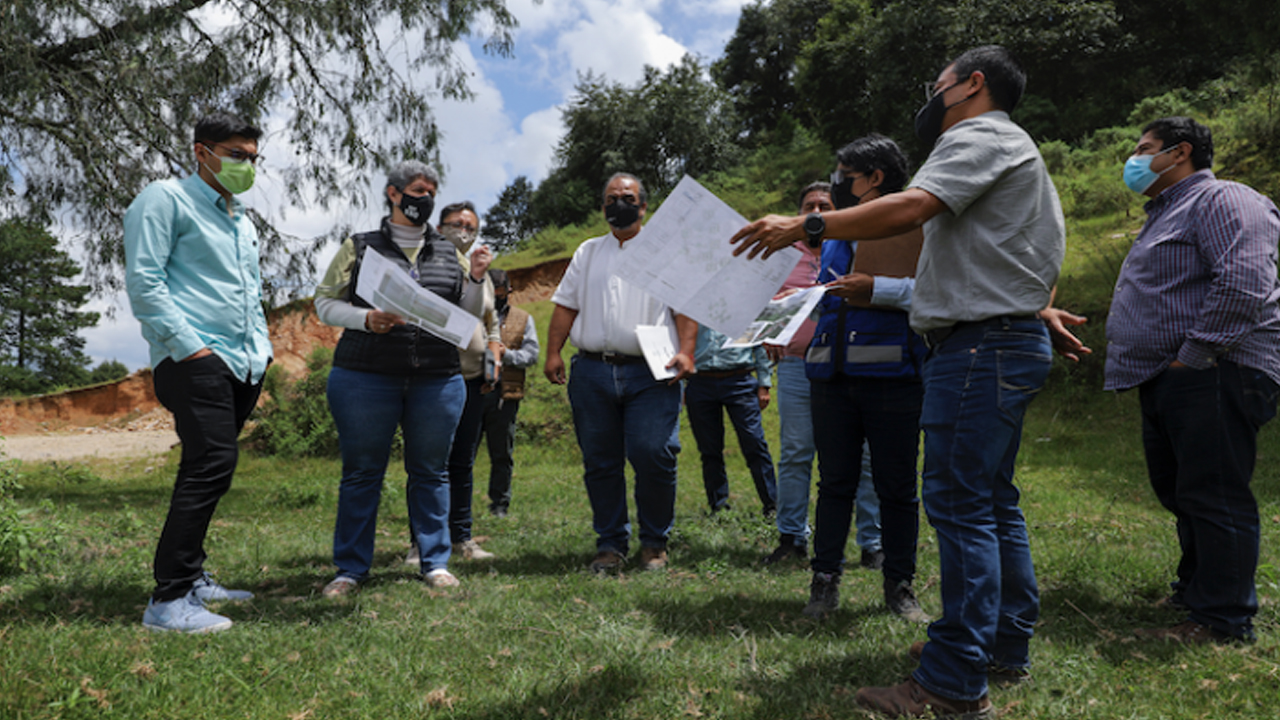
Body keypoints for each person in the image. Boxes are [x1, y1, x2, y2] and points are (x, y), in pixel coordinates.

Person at [734, 45, 1064, 718]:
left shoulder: (977, 134)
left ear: (972, 85)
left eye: (935, 85)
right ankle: (998, 644)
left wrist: (806, 221)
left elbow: (911, 208)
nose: (930, 98)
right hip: (998, 339)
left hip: (976, 347)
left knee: (961, 507)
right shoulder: (1015, 150)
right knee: (993, 502)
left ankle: (950, 684)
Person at [1102, 117, 1279, 643]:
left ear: (1179, 153)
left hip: (1216, 368)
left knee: (1214, 492)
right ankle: (1197, 589)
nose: (1133, 161)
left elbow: (1246, 281)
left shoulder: (1223, 199)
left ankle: (1222, 621)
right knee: (1183, 490)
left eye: (1143, 149)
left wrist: (1195, 354)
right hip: (1175, 375)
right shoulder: (1163, 213)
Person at [125, 111, 273, 633]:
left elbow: (247, 293)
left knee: (209, 468)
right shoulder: (164, 199)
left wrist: (263, 351)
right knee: (212, 463)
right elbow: (145, 283)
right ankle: (168, 601)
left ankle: (191, 578)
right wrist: (191, 349)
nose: (246, 166)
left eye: (253, 158)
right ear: (201, 151)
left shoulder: (240, 219)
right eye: (236, 154)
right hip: (193, 358)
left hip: (244, 360)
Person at [314, 161, 485, 595]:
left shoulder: (449, 251)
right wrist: (365, 317)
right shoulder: (359, 246)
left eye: (431, 191)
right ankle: (350, 569)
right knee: (362, 473)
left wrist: (478, 279)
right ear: (393, 194)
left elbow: (468, 312)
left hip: (436, 378)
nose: (424, 198)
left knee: (431, 472)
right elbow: (324, 303)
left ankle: (435, 562)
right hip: (364, 376)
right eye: (416, 189)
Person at [796, 136, 927, 625]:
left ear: (875, 178)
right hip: (830, 377)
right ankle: (824, 581)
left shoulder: (914, 222)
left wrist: (878, 290)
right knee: (834, 484)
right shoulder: (833, 232)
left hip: (893, 377)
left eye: (845, 177)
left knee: (896, 486)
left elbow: (936, 291)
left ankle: (900, 585)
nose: (836, 186)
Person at [545, 172, 698, 574]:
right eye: (611, 198)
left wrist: (686, 351)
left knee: (654, 453)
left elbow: (685, 308)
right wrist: (553, 353)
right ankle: (610, 545)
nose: (619, 204)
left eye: (627, 197)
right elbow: (565, 305)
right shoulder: (588, 252)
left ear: (644, 206)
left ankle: (654, 542)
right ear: (602, 207)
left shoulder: (667, 252)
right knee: (600, 462)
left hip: (651, 373)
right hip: (592, 372)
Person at [762, 182, 883, 569]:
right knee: (797, 453)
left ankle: (873, 543)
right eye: (809, 205)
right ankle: (792, 538)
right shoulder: (780, 255)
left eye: (824, 206)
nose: (816, 210)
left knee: (864, 456)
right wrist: (768, 332)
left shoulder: (856, 245)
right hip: (798, 365)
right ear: (800, 214)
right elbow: (760, 302)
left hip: (852, 363)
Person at [438, 201, 503, 561]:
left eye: (471, 226)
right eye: (456, 224)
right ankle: (424, 540)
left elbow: (490, 321)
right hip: (436, 376)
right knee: (432, 463)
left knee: (463, 462)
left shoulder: (481, 270)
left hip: (474, 379)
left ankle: (462, 537)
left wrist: (493, 354)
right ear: (439, 228)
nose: (464, 231)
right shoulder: (429, 264)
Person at [685, 325, 777, 517]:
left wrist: (764, 383)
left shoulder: (743, 310)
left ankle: (772, 505)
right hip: (700, 382)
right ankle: (718, 506)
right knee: (709, 449)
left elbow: (758, 344)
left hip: (739, 380)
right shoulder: (694, 311)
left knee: (754, 442)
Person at [480, 268, 541, 517]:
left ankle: (500, 504)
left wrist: (507, 354)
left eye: (501, 292)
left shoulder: (523, 319)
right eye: (492, 292)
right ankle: (456, 503)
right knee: (463, 452)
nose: (497, 296)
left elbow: (532, 354)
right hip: (473, 391)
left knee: (502, 452)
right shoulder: (472, 315)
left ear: (509, 291)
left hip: (505, 395)